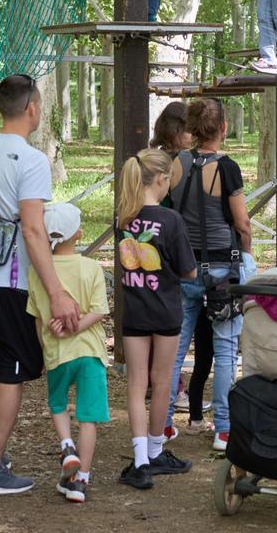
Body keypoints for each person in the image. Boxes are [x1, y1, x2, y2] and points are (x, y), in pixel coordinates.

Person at [0, 74, 80, 496]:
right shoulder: (32, 160)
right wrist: (56, 291)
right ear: (32, 108)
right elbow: (33, 229)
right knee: (12, 370)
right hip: (10, 279)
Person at [165, 99, 255, 451]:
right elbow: (242, 222)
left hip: (185, 265)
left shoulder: (178, 162)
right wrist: (247, 254)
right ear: (223, 128)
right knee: (226, 348)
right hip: (221, 268)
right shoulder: (226, 167)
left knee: (175, 347)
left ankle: (163, 422)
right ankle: (224, 428)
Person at [115, 149, 196, 490]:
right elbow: (188, 270)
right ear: (161, 180)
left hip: (134, 312)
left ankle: (140, 461)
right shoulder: (170, 220)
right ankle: (155, 449)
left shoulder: (123, 217)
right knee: (162, 382)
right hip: (166, 312)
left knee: (136, 384)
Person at [27, 203, 109, 504]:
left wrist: (46, 347)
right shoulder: (91, 268)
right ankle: (80, 480)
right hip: (90, 352)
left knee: (58, 404)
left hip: (57, 353)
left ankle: (66, 446)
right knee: (88, 418)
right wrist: (75, 328)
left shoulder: (37, 272)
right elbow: (99, 311)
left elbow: (38, 319)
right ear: (79, 234)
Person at [149, 101, 210, 430]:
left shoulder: (178, 160)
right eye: (187, 129)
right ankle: (171, 397)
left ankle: (179, 397)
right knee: (174, 331)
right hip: (174, 254)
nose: (192, 135)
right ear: (175, 129)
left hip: (177, 252)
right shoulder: (169, 163)